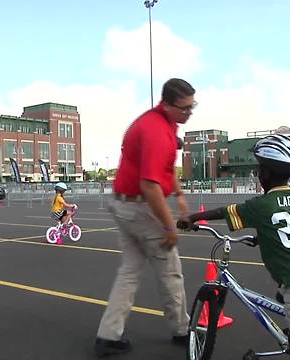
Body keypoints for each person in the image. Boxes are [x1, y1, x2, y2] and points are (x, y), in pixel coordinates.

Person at [177, 134, 290, 360]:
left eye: (259, 169)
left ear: (265, 174)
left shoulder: (261, 205)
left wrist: (193, 218)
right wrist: (267, 237)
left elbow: (226, 211)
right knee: (289, 296)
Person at [94, 78, 194, 357]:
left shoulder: (166, 123)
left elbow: (167, 169)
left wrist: (181, 197)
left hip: (124, 204)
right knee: (170, 272)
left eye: (192, 106)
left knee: (129, 271)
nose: (189, 113)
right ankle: (182, 331)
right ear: (168, 104)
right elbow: (150, 185)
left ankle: (108, 335)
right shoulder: (155, 131)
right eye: (185, 108)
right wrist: (169, 225)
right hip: (140, 207)